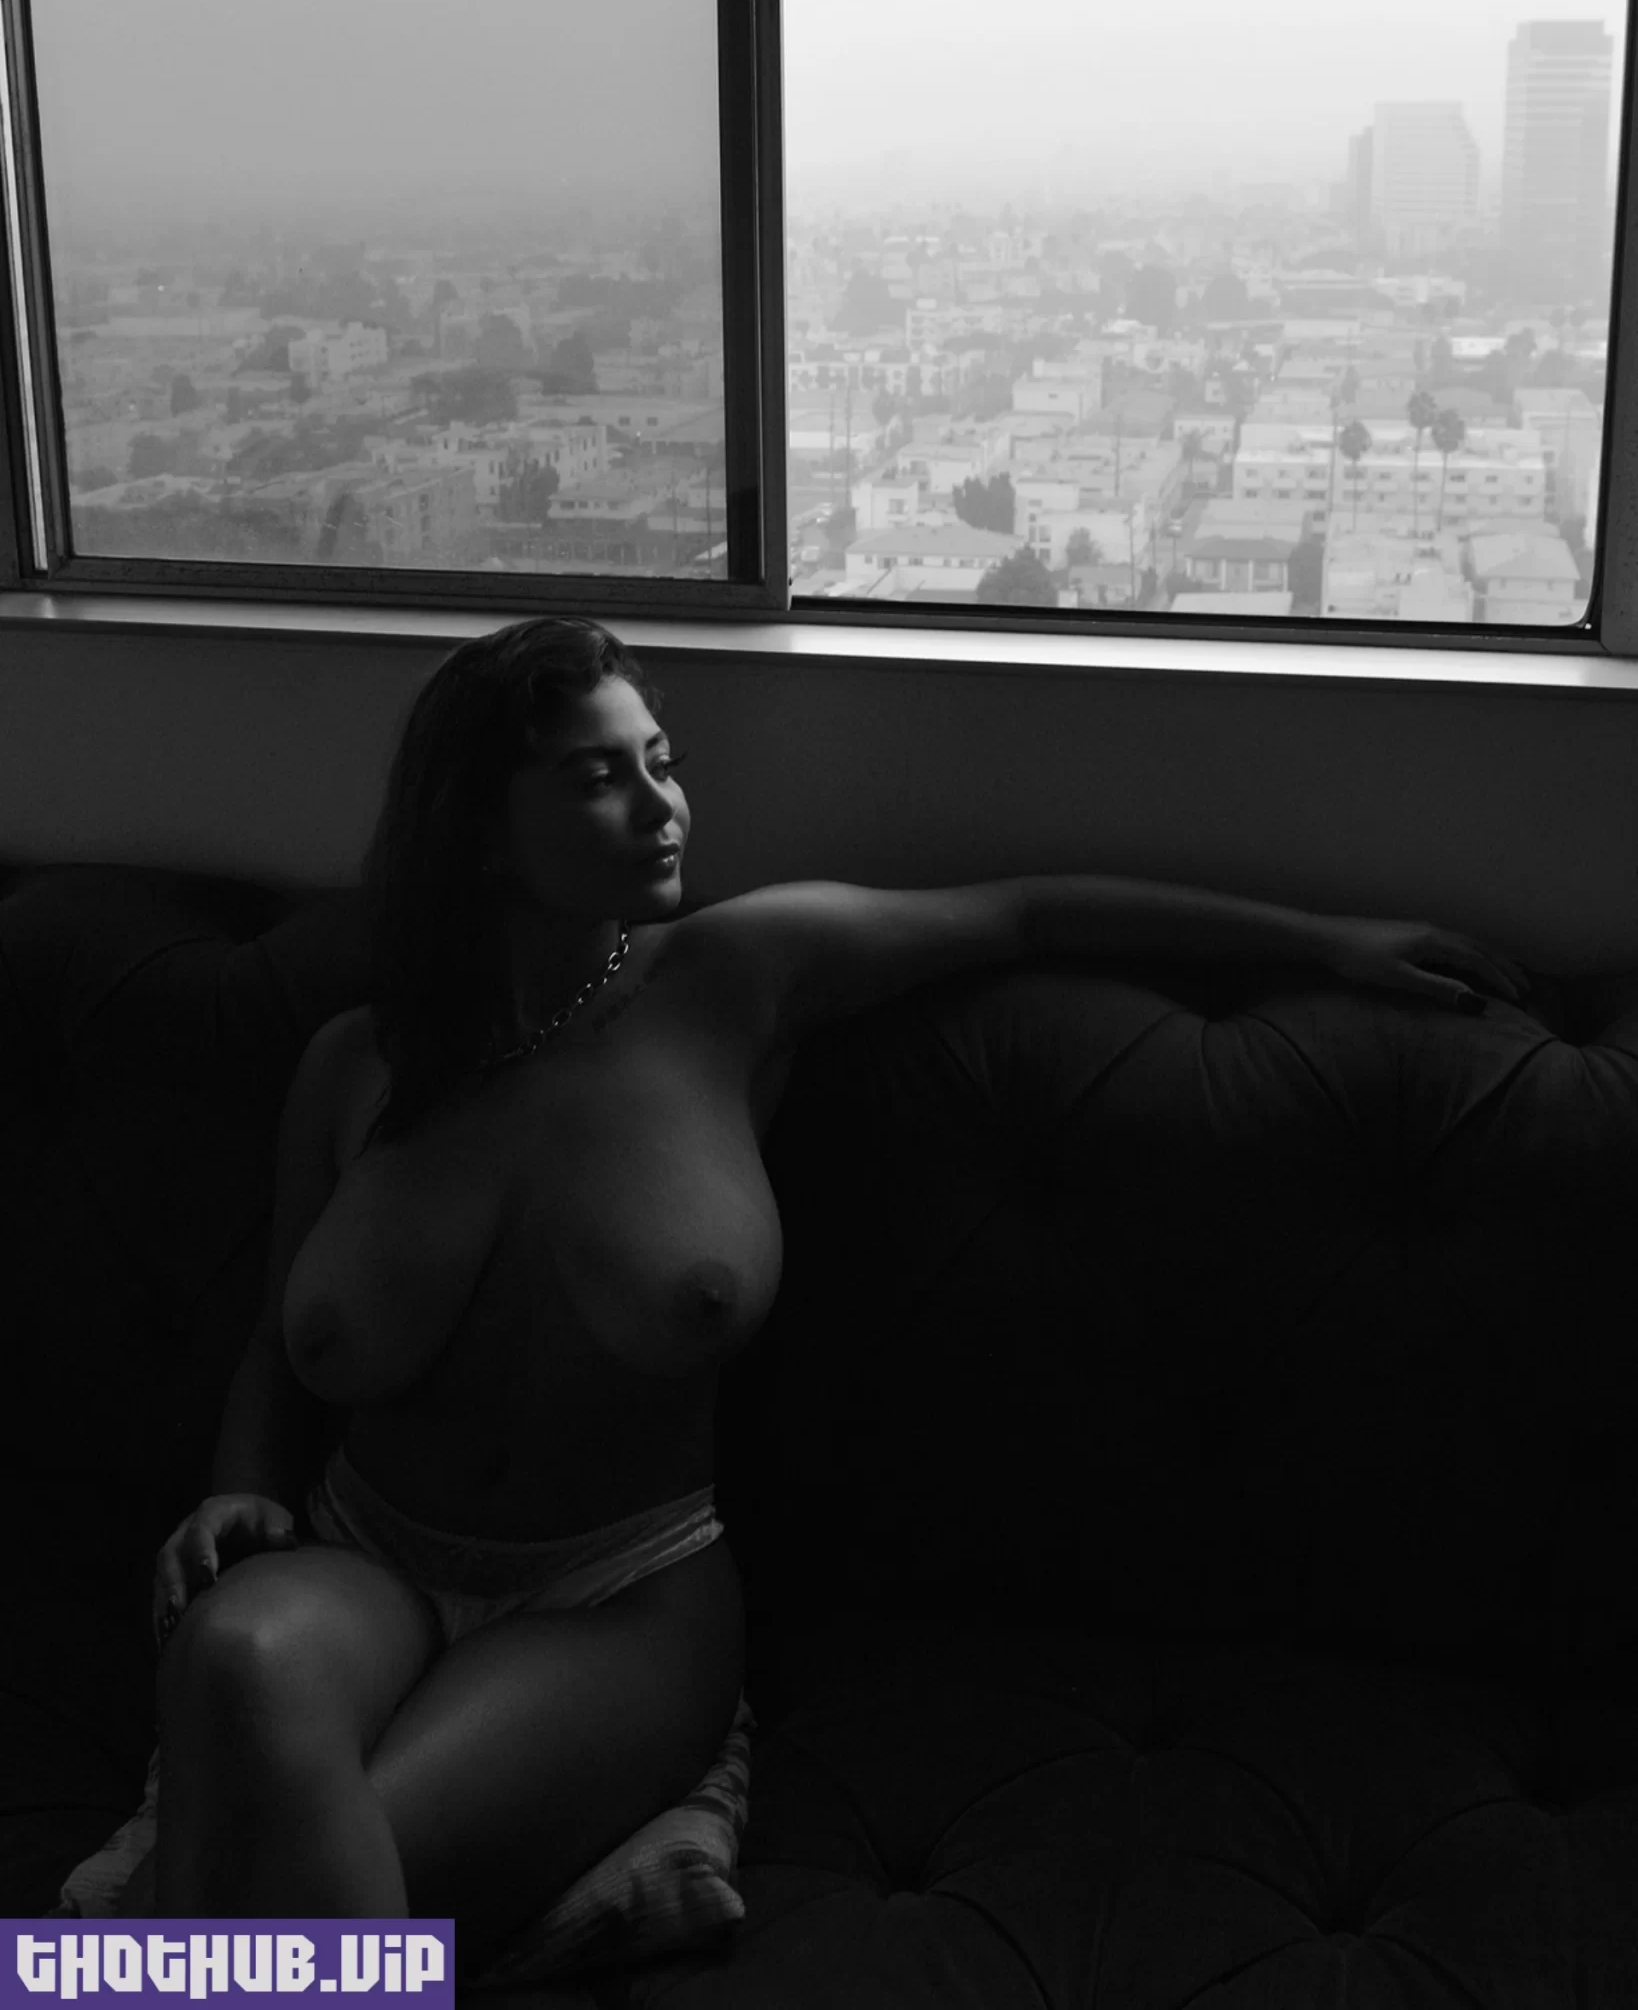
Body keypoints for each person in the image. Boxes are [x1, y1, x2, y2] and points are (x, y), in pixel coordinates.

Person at [145, 615, 1530, 1956]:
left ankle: (119, 1969)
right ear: (480, 830)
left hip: (612, 1595)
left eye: (662, 762)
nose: (662, 805)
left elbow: (1025, 913)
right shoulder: (356, 1065)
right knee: (230, 1656)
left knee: (290, 1878)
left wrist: (1327, 941)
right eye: (598, 776)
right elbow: (277, 1336)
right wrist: (236, 1487)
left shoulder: (736, 976)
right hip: (365, 1553)